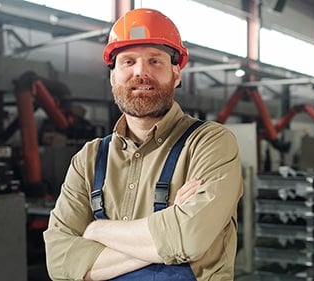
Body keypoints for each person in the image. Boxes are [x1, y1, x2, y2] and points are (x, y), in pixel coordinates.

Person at [44, 8, 243, 281]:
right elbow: (58, 261)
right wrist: (168, 227)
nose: (141, 72)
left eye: (155, 61)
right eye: (128, 62)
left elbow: (189, 238)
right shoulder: (88, 159)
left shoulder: (209, 143)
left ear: (176, 73)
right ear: (113, 76)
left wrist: (96, 231)